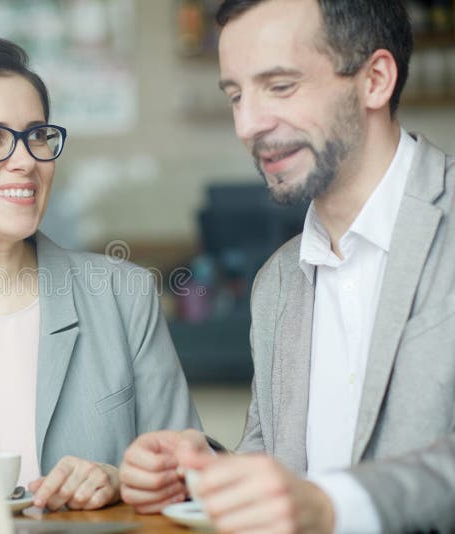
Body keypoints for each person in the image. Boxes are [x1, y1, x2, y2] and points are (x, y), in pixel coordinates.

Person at [119, 0, 455, 532]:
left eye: (280, 86)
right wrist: (198, 472)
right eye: (235, 94)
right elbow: (280, 472)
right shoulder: (277, 280)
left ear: (375, 79)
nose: (248, 124)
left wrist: (331, 506)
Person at [0, 38, 202, 511]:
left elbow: (190, 476)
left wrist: (121, 481)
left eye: (38, 135)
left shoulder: (121, 295)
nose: (26, 160)